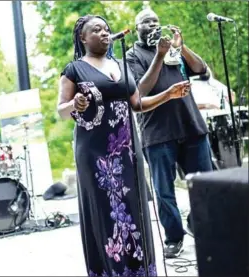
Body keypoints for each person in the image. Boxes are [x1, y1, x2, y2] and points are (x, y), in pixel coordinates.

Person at [58, 15, 191, 276]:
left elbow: (136, 103)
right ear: (83, 38)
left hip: (128, 151)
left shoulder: (121, 65)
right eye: (96, 30)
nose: (104, 33)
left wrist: (168, 94)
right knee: (106, 214)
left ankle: (140, 271)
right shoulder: (74, 69)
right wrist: (75, 105)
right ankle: (112, 271)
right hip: (95, 155)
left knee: (134, 209)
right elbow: (61, 110)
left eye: (106, 29)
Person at [126, 8, 213, 258]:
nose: (152, 24)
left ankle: (202, 228)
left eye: (155, 21)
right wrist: (159, 56)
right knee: (164, 191)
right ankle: (174, 237)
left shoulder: (173, 48)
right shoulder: (132, 56)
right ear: (137, 28)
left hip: (191, 126)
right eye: (146, 22)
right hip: (157, 134)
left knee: (205, 184)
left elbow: (202, 69)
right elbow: (140, 91)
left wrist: (181, 47)